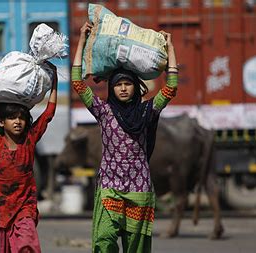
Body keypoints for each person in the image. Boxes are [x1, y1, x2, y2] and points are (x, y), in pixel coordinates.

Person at [71, 22, 178, 253]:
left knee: (136, 249)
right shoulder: (103, 110)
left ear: (135, 87)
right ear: (111, 88)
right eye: (118, 84)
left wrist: (170, 49)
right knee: (103, 242)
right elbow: (78, 83)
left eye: (127, 83)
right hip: (110, 188)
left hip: (138, 189)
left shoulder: (147, 111)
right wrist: (81, 40)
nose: (122, 88)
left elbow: (170, 88)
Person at [0, 63, 58, 253]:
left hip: (25, 205)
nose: (18, 122)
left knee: (27, 244)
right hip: (0, 206)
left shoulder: (30, 139)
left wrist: (54, 81)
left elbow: (48, 114)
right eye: (12, 118)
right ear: (1, 122)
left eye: (21, 118)